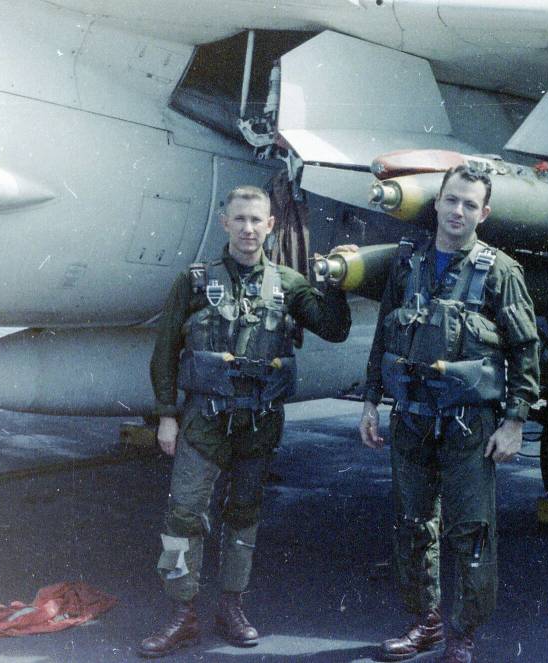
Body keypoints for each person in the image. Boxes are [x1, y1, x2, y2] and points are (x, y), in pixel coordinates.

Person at [140, 185, 352, 657]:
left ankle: (231, 607)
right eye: (239, 219)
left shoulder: (289, 283)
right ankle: (182, 613)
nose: (248, 228)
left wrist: (337, 283)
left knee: (244, 517)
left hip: (258, 424)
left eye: (257, 220)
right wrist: (166, 417)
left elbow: (334, 330)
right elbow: (164, 353)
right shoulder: (194, 282)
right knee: (183, 516)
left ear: (271, 225)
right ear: (225, 223)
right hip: (202, 423)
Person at [359, 165, 540, 663]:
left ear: (484, 213)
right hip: (412, 417)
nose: (458, 211)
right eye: (451, 200)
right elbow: (385, 334)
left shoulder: (500, 270)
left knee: (470, 530)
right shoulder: (408, 262)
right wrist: (372, 400)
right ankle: (427, 622)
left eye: (469, 204)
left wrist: (515, 421)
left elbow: (525, 348)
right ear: (436, 203)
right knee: (413, 523)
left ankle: (463, 635)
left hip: (469, 425)